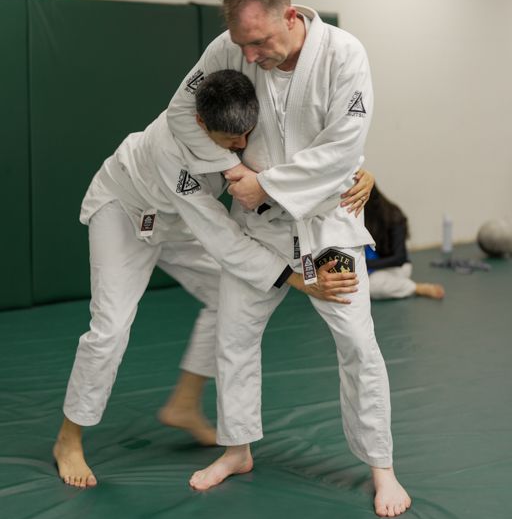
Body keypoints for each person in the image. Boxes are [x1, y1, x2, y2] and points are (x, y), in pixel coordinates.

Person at [166, 0, 411, 517]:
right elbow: (182, 110)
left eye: (261, 42)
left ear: (291, 15)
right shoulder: (228, 48)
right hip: (260, 226)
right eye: (242, 43)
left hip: (327, 224)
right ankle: (237, 450)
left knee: (357, 344)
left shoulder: (343, 55)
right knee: (233, 336)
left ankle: (382, 468)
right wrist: (230, 168)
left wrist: (268, 184)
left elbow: (345, 146)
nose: (250, 56)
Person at [53, 70, 363, 488]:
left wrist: (363, 173)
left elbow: (304, 156)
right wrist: (296, 279)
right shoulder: (171, 149)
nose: (240, 146)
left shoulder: (241, 123)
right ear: (200, 124)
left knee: (228, 297)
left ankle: (184, 402)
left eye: (245, 136)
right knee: (109, 328)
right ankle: (68, 440)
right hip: (125, 210)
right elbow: (222, 237)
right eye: (228, 140)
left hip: (178, 222)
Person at [365, 185, 445, 300]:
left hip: (397, 267)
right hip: (372, 267)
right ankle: (397, 283)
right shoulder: (360, 218)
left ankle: (416, 288)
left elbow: (400, 258)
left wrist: (366, 264)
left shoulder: (393, 215)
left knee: (371, 286)